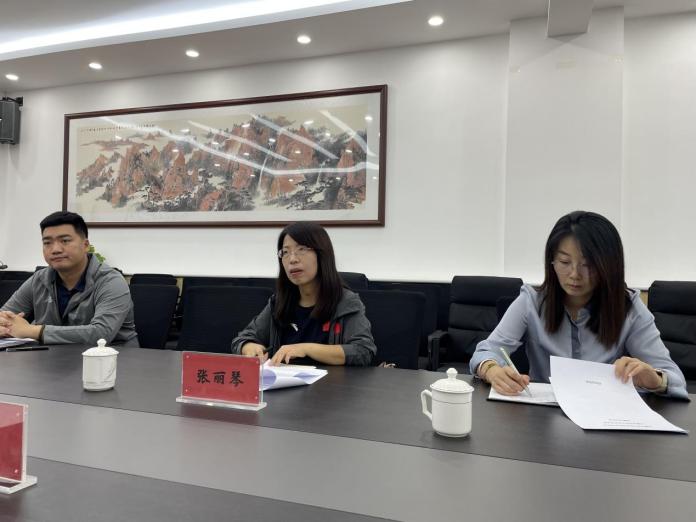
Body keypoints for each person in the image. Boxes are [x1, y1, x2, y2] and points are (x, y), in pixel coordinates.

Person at [469, 211, 688, 400]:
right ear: (552, 262)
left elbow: (675, 379)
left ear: (608, 266)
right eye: (565, 262)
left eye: (588, 265)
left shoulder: (628, 308)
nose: (574, 274)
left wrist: (653, 379)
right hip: (542, 419)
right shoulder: (532, 302)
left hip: (606, 415)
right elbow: (486, 351)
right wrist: (492, 369)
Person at [231, 222, 376, 366]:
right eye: (285, 252)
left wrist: (306, 349)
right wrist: (249, 346)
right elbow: (243, 338)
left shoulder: (345, 302)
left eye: (301, 249)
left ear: (322, 254)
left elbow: (363, 351)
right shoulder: (279, 302)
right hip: (283, 380)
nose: (292, 259)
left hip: (331, 381)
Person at [0, 211, 138, 346]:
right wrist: (4, 326)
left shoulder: (111, 281)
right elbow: (4, 316)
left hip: (114, 357)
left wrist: (32, 331)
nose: (55, 249)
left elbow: (101, 334)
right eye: (47, 243)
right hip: (52, 357)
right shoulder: (39, 279)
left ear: (85, 245)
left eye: (65, 241)